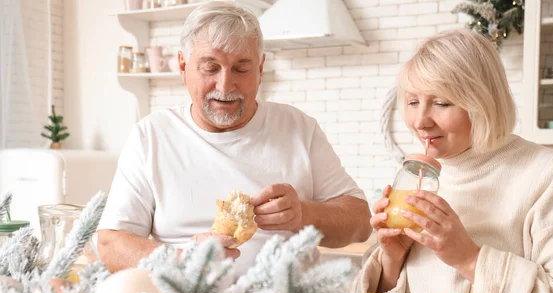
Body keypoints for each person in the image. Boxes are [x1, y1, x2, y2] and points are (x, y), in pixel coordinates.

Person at [97, 1, 372, 275]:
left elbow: (360, 222)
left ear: (260, 68)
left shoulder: (298, 128)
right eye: (210, 67)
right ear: (183, 67)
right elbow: (111, 244)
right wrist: (182, 259)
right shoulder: (151, 136)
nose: (226, 85)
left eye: (241, 69)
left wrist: (304, 214)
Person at [352, 29, 553, 293]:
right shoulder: (417, 178)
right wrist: (392, 259)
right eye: (413, 101)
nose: (420, 122)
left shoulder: (549, 175)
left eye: (441, 103)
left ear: (482, 102)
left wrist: (468, 258)